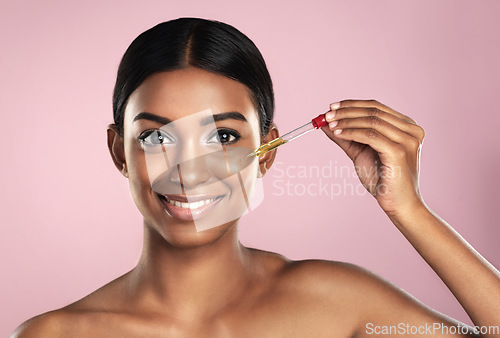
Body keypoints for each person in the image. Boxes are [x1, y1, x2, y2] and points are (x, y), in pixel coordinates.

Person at [12, 17, 500, 337]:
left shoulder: (338, 305)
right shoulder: (54, 334)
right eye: (157, 139)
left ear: (266, 152)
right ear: (119, 152)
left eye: (222, 138)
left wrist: (409, 210)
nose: (189, 172)